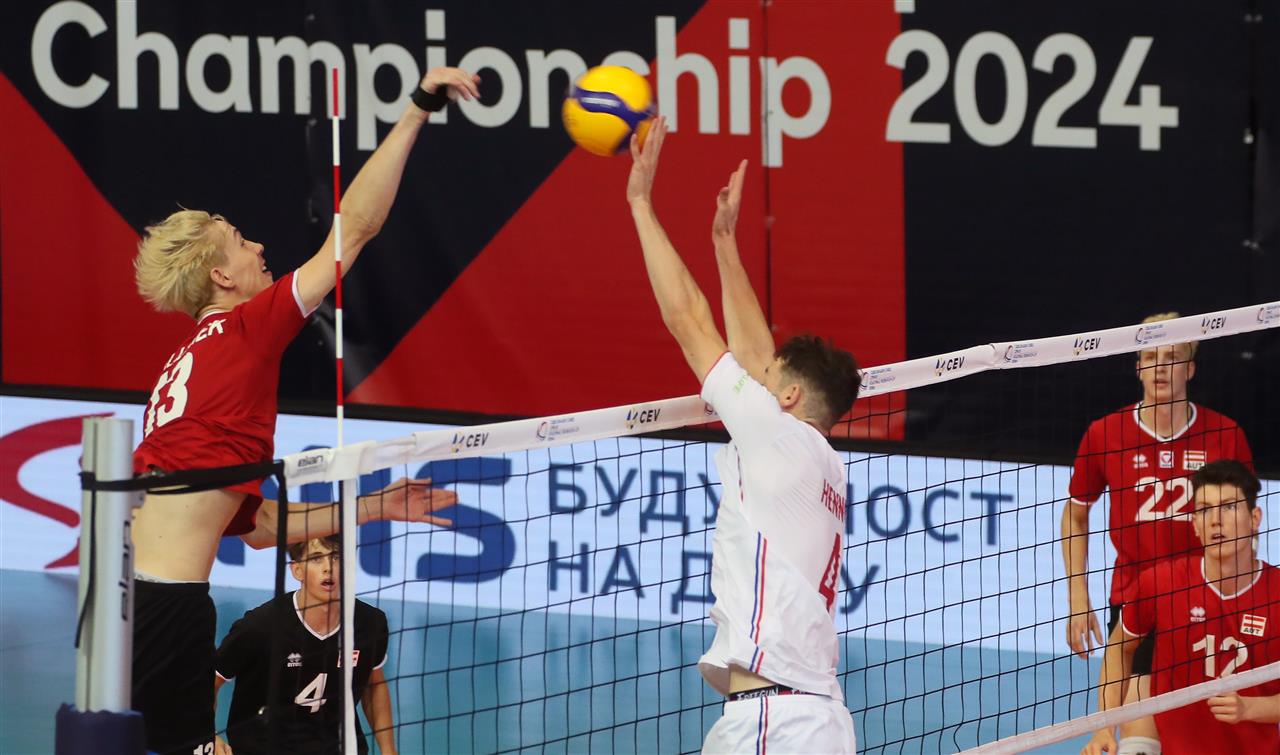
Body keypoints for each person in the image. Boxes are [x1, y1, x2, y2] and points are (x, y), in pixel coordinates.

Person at [129, 66, 480, 754]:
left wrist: (375, 506)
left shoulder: (187, 366)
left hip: (140, 598)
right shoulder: (244, 328)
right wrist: (417, 108)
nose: (260, 247)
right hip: (167, 606)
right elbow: (357, 230)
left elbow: (262, 527)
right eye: (242, 241)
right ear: (221, 276)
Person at [626, 116, 860, 753]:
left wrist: (641, 203)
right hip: (818, 720)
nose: (757, 378)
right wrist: (724, 244)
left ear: (788, 399)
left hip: (771, 725)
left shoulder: (778, 439)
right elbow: (761, 360)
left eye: (770, 382)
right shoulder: (822, 463)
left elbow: (688, 320)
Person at [1061, 313, 1253, 752]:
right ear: (1138, 367)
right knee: (1138, 738)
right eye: (1150, 357)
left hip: (1211, 602)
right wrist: (1077, 597)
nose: (1160, 367)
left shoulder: (1225, 434)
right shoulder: (1105, 434)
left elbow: (1246, 522)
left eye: (1172, 357)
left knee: (1206, 733)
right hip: (1139, 601)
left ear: (1190, 368)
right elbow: (1075, 514)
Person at [1082, 460, 1280, 755]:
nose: (1216, 520)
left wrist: (1249, 708)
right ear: (1195, 525)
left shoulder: (1276, 593)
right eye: (1204, 509)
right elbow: (1119, 647)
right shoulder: (1162, 583)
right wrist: (1105, 727)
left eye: (1228, 506)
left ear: (1255, 518)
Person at [213, 536, 393, 755]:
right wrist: (208, 734)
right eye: (316, 558)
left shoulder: (369, 623)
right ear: (297, 570)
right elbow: (210, 681)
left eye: (336, 557)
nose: (328, 568)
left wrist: (388, 750)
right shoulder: (260, 627)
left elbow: (374, 685)